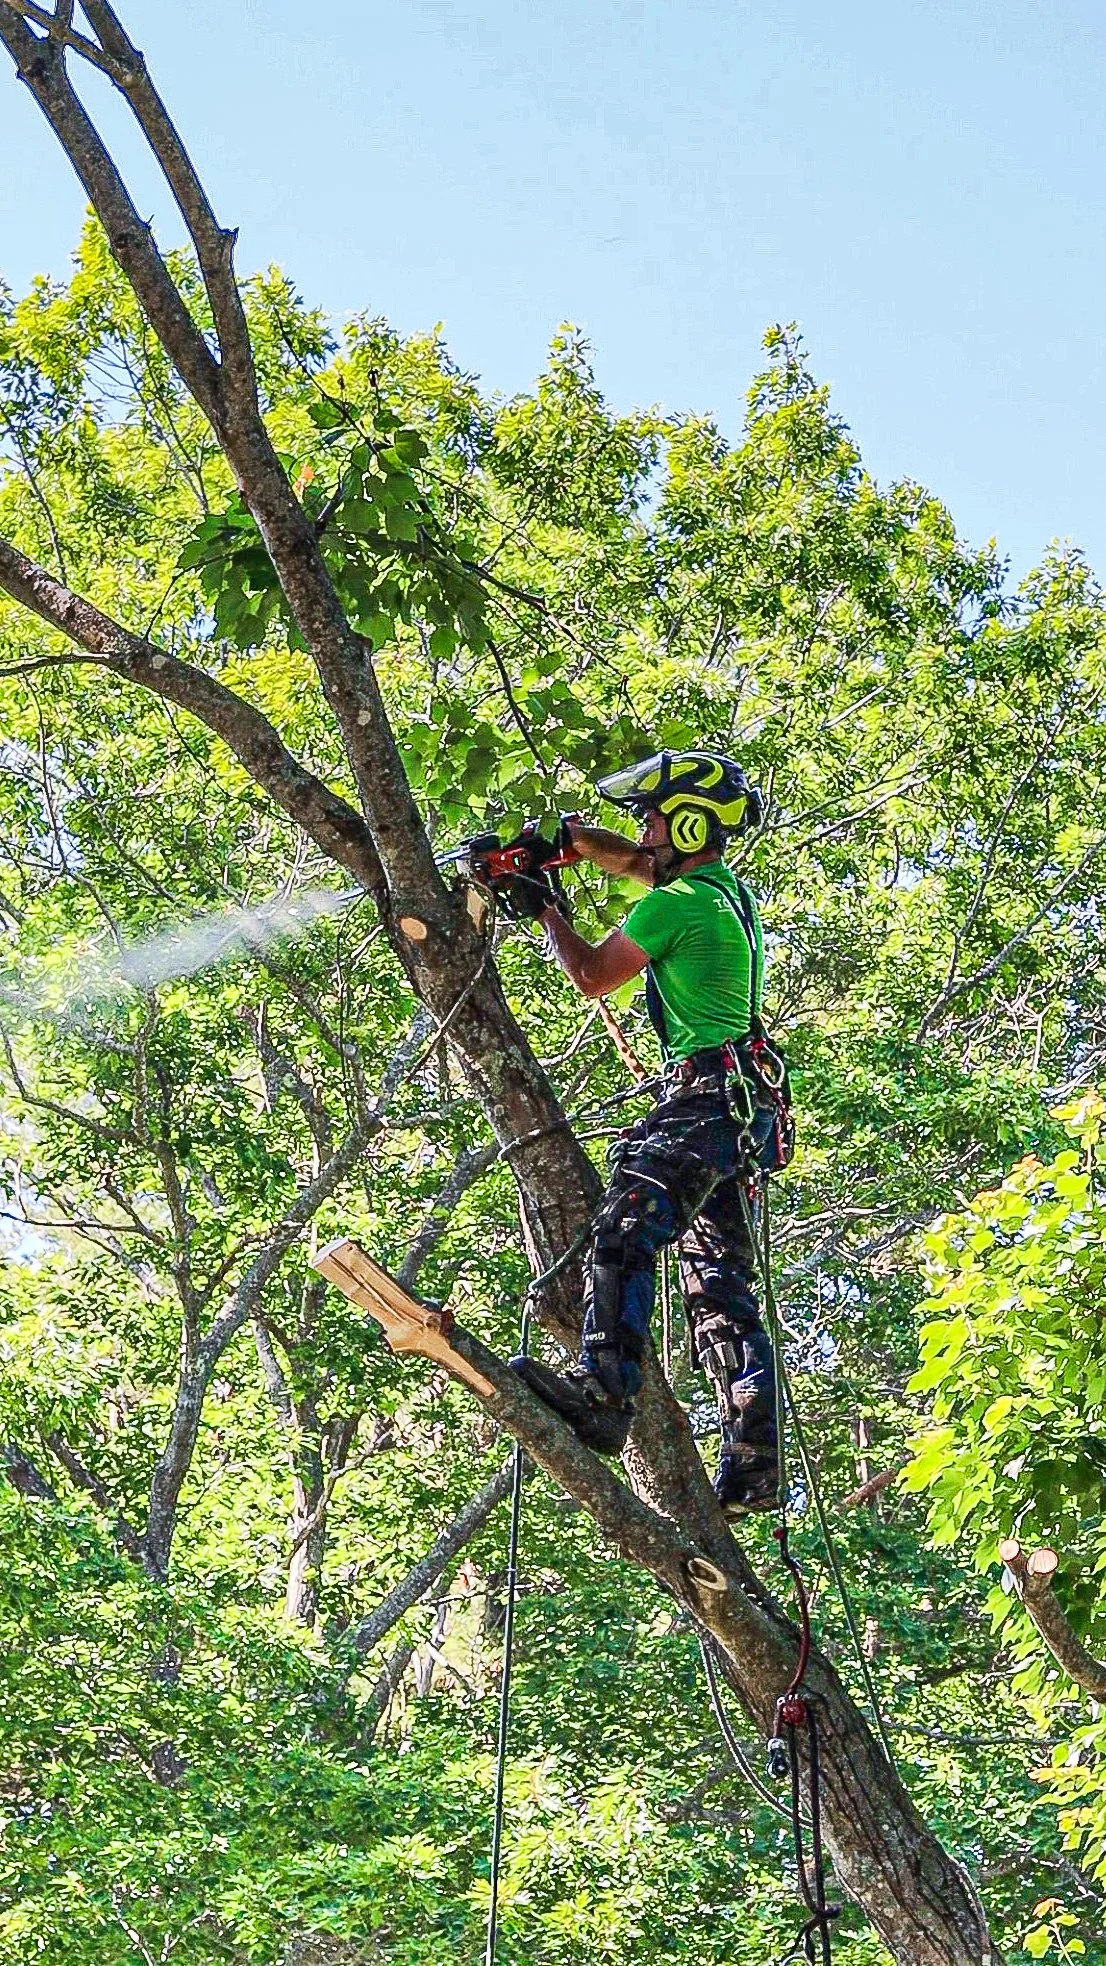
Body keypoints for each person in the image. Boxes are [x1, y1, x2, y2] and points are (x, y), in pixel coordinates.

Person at [508, 750, 788, 1516]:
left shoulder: (675, 904)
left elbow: (595, 975)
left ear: (689, 824)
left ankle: (604, 1390)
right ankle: (755, 1461)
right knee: (720, 1290)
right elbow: (631, 860)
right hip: (739, 1109)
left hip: (703, 1101)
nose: (645, 832)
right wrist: (563, 840)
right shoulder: (725, 894)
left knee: (626, 1230)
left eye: (656, 817)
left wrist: (544, 907)